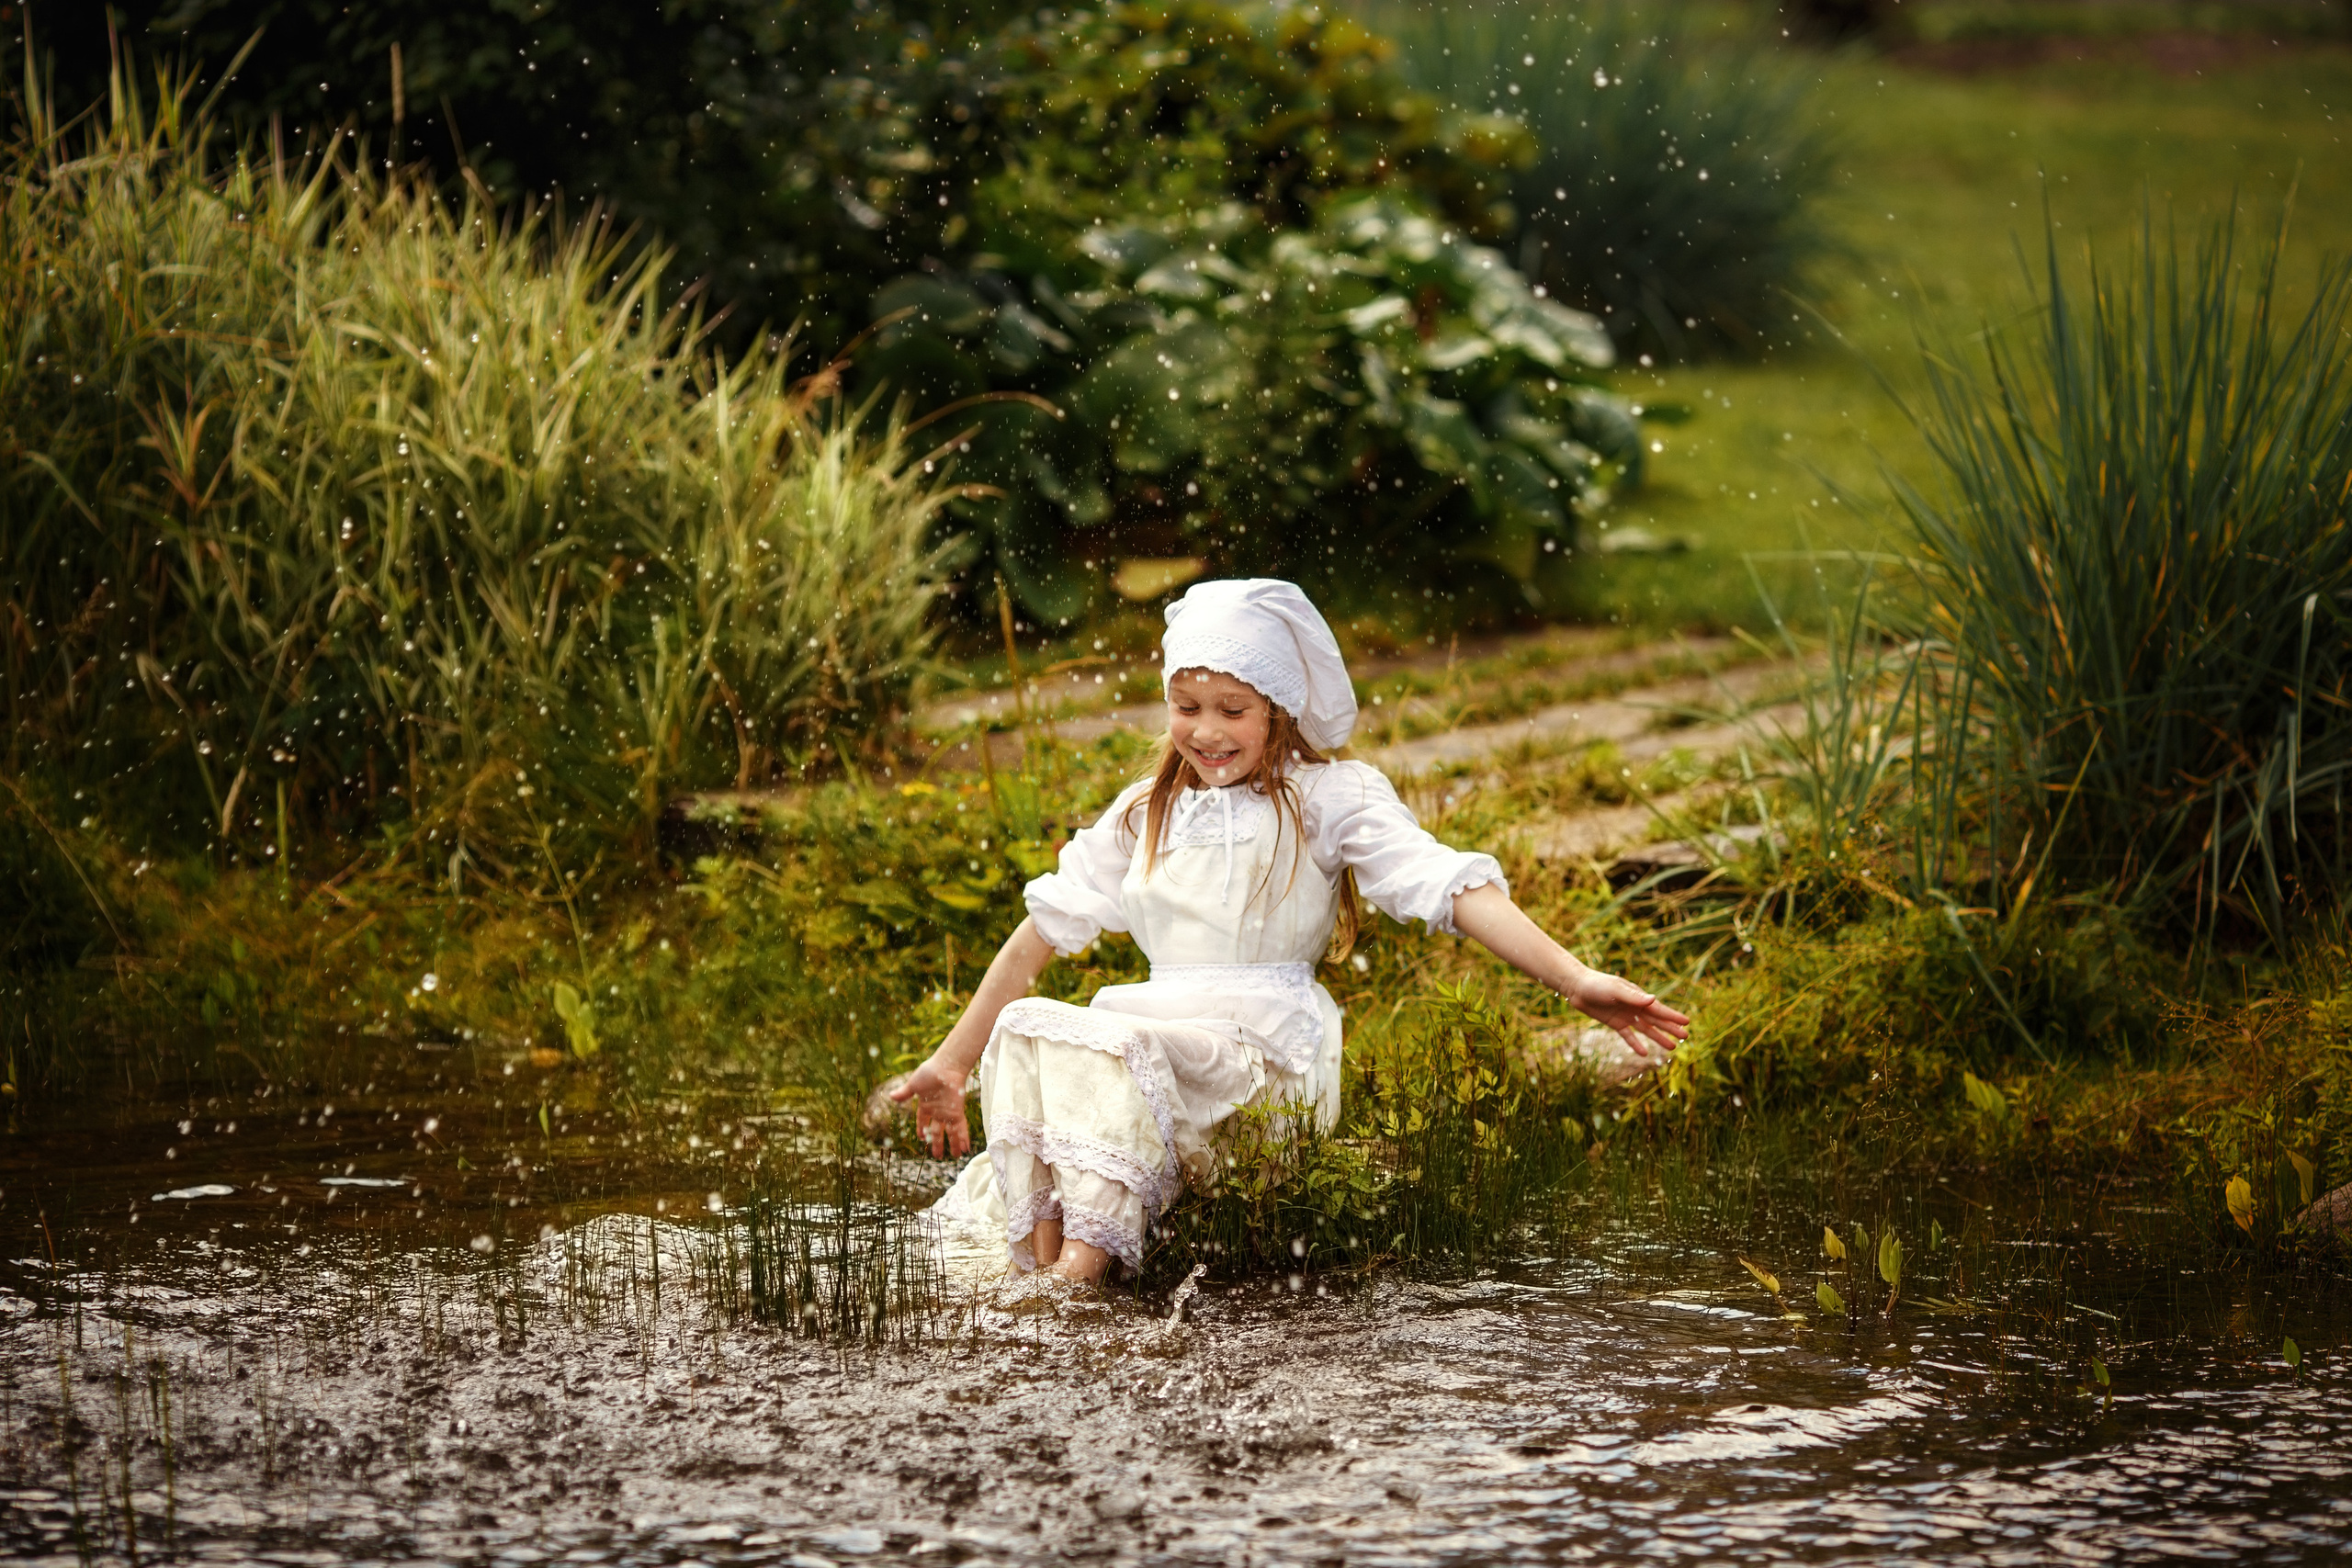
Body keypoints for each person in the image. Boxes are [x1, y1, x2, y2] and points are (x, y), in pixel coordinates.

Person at [890, 579, 1690, 1285]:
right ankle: (1042, 1266)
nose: (1207, 732)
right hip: (1154, 1031)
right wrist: (952, 1061)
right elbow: (1041, 933)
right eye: (1187, 706)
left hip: (1264, 1055)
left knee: (1105, 1045)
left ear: (1279, 709)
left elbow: (1447, 883)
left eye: (1233, 710)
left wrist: (1574, 978)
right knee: (1042, 1026)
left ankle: (1074, 1288)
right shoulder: (1145, 810)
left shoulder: (1327, 799)